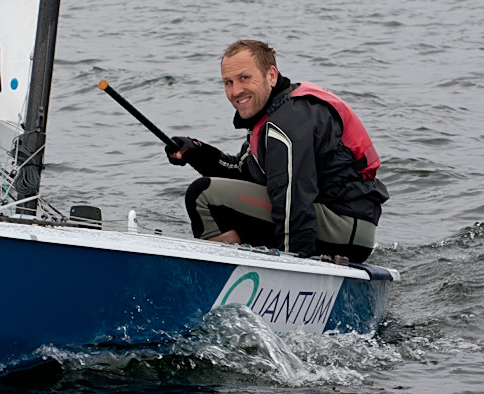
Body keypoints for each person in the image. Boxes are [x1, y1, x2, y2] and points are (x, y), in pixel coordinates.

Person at [165, 39, 389, 263]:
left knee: (202, 195)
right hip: (342, 225)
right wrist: (197, 153)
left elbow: (294, 204)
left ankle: (224, 274)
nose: (235, 91)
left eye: (244, 78)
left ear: (271, 75)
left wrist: (294, 265)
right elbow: (243, 172)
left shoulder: (286, 123)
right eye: (228, 82)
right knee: (216, 198)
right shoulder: (274, 112)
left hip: (341, 228)